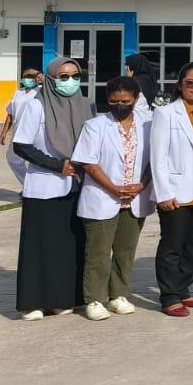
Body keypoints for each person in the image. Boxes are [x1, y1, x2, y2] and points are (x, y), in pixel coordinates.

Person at [11, 58, 91, 319]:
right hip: (44, 188)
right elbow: (21, 145)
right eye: (63, 76)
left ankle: (61, 299)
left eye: (75, 76)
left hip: (75, 187)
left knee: (66, 247)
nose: (70, 81)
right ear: (51, 78)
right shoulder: (37, 105)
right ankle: (32, 303)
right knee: (39, 247)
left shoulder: (84, 105)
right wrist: (57, 165)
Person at [72, 76, 153, 321]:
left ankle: (118, 294)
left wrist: (142, 185)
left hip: (135, 198)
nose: (120, 106)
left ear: (135, 99)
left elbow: (155, 159)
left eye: (125, 101)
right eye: (114, 101)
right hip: (103, 196)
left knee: (125, 251)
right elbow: (89, 163)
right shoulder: (95, 125)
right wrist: (114, 188)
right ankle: (95, 298)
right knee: (97, 251)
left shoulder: (148, 124)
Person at [152, 61, 193, 317]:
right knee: (172, 245)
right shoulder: (166, 114)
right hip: (176, 192)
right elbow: (158, 157)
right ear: (180, 85)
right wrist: (163, 193)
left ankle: (183, 289)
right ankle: (169, 296)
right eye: (190, 82)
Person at [0, 66, 44, 182]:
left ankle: (36, 187)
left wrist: (41, 77)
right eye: (26, 76)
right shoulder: (18, 92)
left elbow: (52, 86)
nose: (28, 78)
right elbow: (10, 113)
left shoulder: (41, 91)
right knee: (12, 159)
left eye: (32, 76)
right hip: (18, 132)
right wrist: (4, 132)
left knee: (37, 160)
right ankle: (26, 184)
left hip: (36, 132)